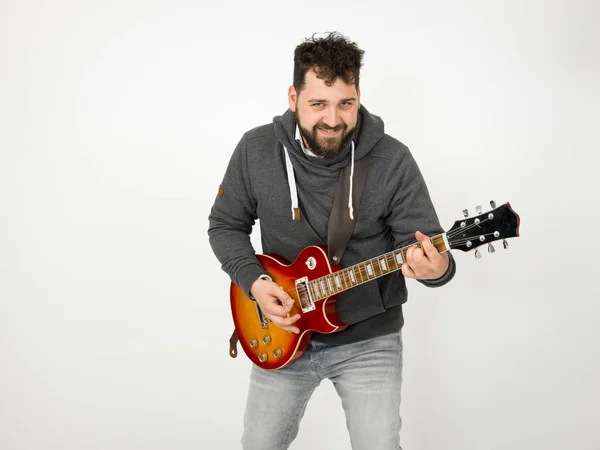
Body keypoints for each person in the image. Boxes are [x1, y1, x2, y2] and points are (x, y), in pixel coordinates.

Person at [208, 31, 456, 450]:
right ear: (293, 97)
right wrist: (255, 283)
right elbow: (224, 225)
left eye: (346, 103)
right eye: (318, 104)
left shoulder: (392, 160)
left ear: (359, 94)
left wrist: (438, 269)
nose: (333, 119)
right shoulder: (256, 150)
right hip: (281, 332)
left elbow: (428, 247)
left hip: (368, 340)